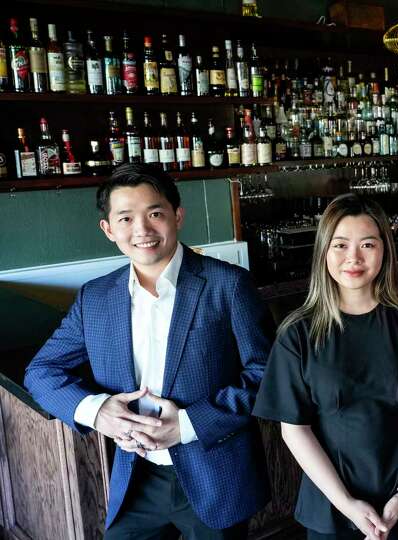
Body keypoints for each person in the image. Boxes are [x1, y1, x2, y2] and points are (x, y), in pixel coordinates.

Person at [24, 163, 272, 539]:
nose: (142, 230)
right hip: (136, 478)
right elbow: (41, 372)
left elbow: (267, 375)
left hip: (215, 475)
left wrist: (187, 424)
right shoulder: (96, 298)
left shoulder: (228, 286)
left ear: (178, 216)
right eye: (125, 218)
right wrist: (98, 412)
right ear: (108, 229)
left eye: (155, 213)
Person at [253, 194, 398, 540]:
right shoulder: (298, 333)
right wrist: (347, 504)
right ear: (323, 253)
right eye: (340, 245)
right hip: (331, 508)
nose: (354, 258)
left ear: (384, 251)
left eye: (367, 244)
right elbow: (294, 430)